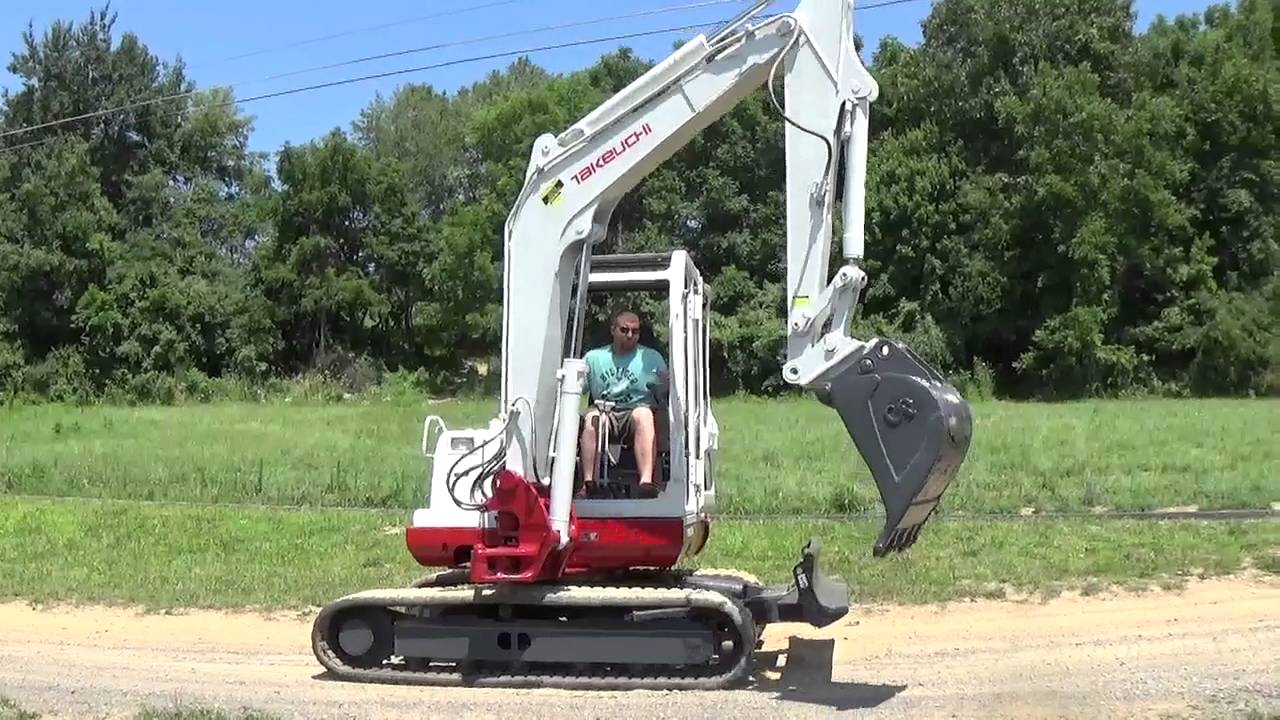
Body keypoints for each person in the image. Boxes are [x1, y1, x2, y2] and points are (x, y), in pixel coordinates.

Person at [579, 310, 668, 498]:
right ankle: (588, 482)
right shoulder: (594, 358)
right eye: (624, 330)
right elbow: (577, 388)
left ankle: (646, 482)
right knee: (592, 419)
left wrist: (664, 387)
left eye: (634, 331)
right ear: (613, 330)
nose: (629, 335)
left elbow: (665, 392)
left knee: (643, 415)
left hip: (635, 411)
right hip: (604, 410)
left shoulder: (652, 358)